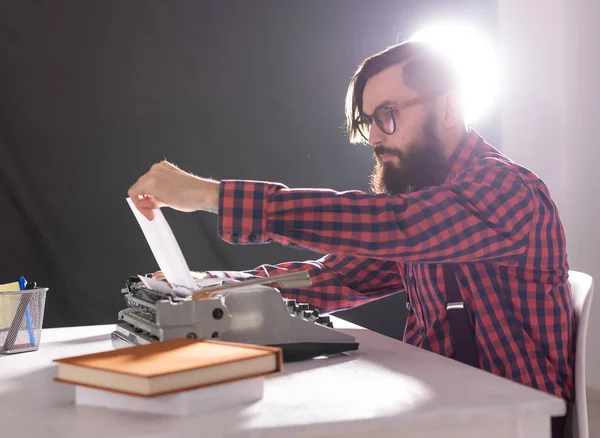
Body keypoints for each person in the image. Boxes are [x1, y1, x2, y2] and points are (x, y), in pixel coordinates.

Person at [128, 40, 574, 437]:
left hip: (515, 420)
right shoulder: (427, 200)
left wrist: (214, 195)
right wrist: (210, 286)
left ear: (448, 109)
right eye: (370, 121)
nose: (375, 136)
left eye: (388, 114)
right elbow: (332, 278)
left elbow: (394, 225)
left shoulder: (507, 191)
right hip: (441, 407)